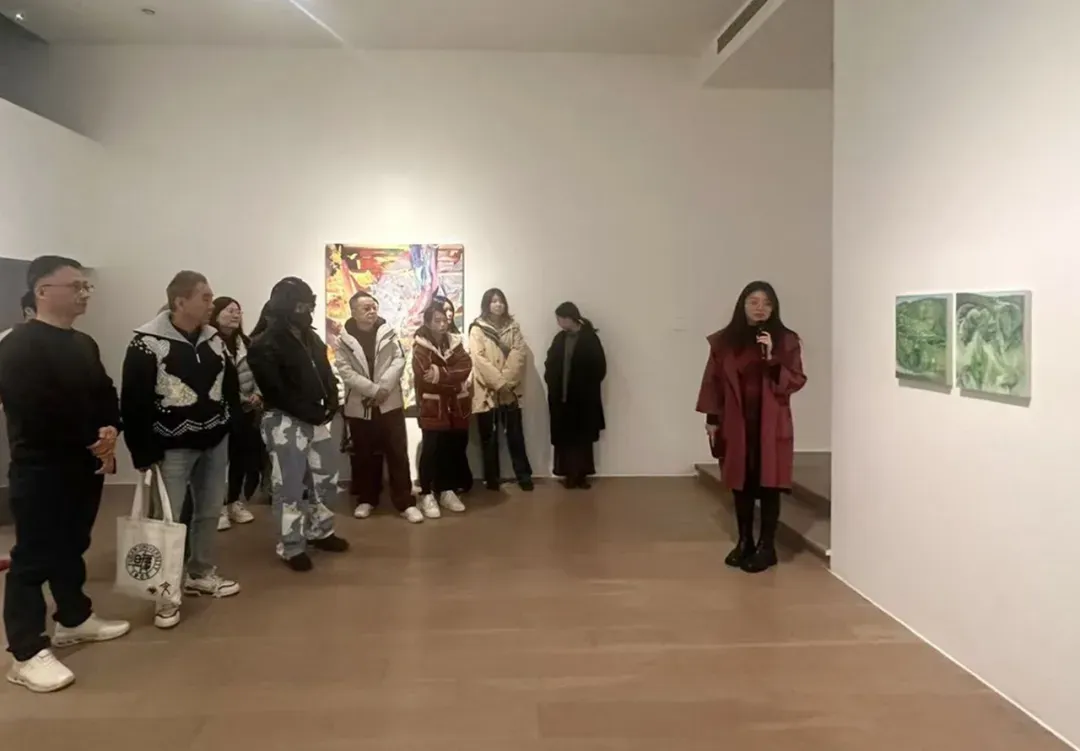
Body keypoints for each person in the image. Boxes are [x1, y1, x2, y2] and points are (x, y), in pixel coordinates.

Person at [0, 256, 129, 693]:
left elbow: (104, 391)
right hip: (41, 468)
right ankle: (25, 652)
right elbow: (35, 410)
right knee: (33, 557)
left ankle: (74, 617)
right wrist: (92, 439)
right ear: (42, 291)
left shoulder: (82, 343)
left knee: (73, 544)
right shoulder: (19, 346)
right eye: (75, 286)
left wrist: (111, 428)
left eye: (86, 286)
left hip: (83, 464)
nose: (84, 293)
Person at [121, 271, 242, 629]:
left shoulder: (214, 341)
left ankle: (200, 573)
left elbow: (230, 389)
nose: (211, 304)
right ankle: (164, 593)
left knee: (209, 511)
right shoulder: (146, 343)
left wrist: (230, 425)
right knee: (167, 520)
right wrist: (142, 452)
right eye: (205, 297)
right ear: (180, 301)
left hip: (214, 441)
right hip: (171, 447)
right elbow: (134, 401)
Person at [695, 281, 807, 574]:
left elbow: (795, 380)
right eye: (753, 302)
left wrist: (771, 358)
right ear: (742, 305)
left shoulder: (785, 340)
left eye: (767, 303)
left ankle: (766, 546)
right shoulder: (724, 342)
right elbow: (712, 382)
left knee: (770, 484)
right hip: (736, 422)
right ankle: (744, 541)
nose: (760, 308)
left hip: (771, 422)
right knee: (740, 483)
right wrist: (712, 419)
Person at [248, 277, 349, 571]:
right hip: (284, 420)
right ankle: (291, 545)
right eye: (300, 306)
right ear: (285, 306)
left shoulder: (311, 337)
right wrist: (311, 412)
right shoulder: (264, 343)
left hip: (314, 417)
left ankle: (321, 531)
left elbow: (325, 370)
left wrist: (332, 399)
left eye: (309, 306)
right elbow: (275, 390)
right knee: (289, 486)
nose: (306, 312)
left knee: (326, 478)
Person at [334, 291, 421, 523]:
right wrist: (373, 391)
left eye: (374, 307)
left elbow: (399, 360)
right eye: (366, 308)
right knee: (364, 455)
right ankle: (367, 499)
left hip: (389, 403)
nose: (372, 311)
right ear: (353, 311)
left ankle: (405, 502)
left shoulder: (388, 332)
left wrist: (383, 388)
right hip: (360, 405)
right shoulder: (343, 340)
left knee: (397, 453)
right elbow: (345, 371)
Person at [468, 288, 533, 491]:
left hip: (510, 392)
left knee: (515, 435)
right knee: (488, 438)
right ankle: (492, 478)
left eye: (501, 301)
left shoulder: (513, 328)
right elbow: (478, 359)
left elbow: (519, 355)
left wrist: (506, 384)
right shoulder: (477, 329)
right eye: (494, 301)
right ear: (486, 304)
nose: (498, 304)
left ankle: (523, 476)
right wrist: (498, 383)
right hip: (486, 392)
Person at [412, 303, 473, 518]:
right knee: (430, 449)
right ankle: (426, 493)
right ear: (428, 322)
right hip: (432, 407)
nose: (442, 324)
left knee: (449, 448)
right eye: (437, 320)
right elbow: (424, 375)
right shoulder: (420, 346)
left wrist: (440, 374)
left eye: (444, 320)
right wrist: (451, 379)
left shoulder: (455, 343)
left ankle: (446, 489)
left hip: (454, 407)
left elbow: (465, 366)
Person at [210, 296, 262, 530]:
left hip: (247, 410)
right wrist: (240, 397)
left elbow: (259, 372)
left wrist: (258, 394)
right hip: (221, 410)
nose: (234, 315)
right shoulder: (209, 343)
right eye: (229, 310)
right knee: (219, 461)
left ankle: (234, 502)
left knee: (241, 458)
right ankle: (218, 507)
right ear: (216, 314)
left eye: (237, 311)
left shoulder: (247, 343)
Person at [544, 302, 607, 489]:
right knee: (566, 438)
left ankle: (581, 475)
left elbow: (600, 367)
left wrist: (586, 386)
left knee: (582, 438)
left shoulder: (590, 339)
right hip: (561, 399)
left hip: (583, 400)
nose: (558, 323)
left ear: (570, 318)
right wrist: (552, 382)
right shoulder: (559, 339)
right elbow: (550, 363)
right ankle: (568, 473)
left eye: (560, 319)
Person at [432, 295, 473, 493]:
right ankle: (441, 484)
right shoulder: (427, 340)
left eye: (450, 310)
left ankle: (460, 481)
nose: (448, 314)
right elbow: (428, 373)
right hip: (438, 401)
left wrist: (447, 375)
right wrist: (445, 376)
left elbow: (467, 366)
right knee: (440, 443)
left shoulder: (459, 338)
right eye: (443, 310)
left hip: (460, 397)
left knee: (459, 441)